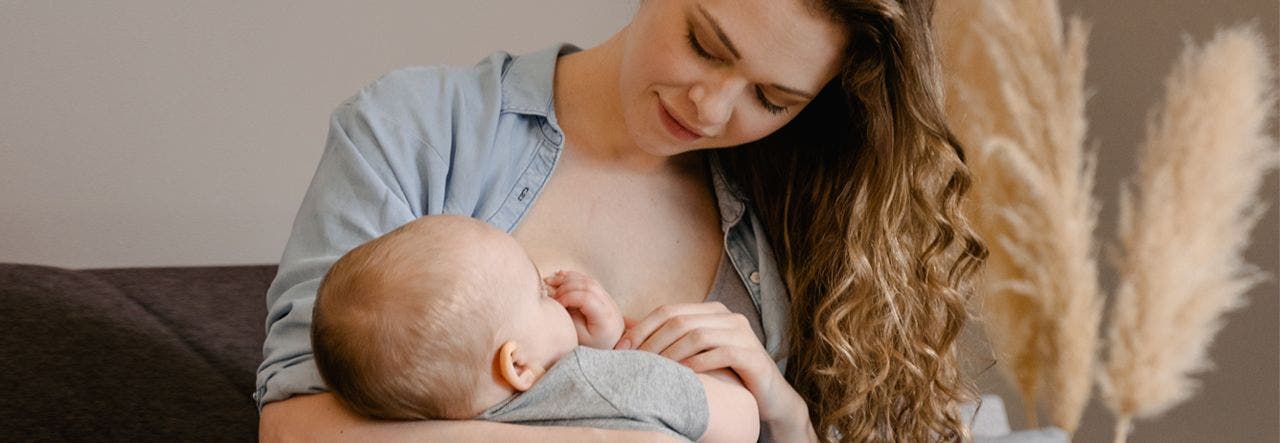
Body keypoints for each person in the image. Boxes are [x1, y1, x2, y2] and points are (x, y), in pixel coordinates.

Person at [257, 0, 988, 441]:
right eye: (705, 43)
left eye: (771, 99)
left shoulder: (802, 211)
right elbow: (297, 427)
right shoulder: (419, 129)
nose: (708, 109)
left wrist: (784, 412)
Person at [310, 215, 759, 442]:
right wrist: (629, 358)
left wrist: (599, 344)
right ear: (518, 363)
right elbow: (741, 421)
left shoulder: (440, 414)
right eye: (539, 293)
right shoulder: (598, 381)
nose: (552, 286)